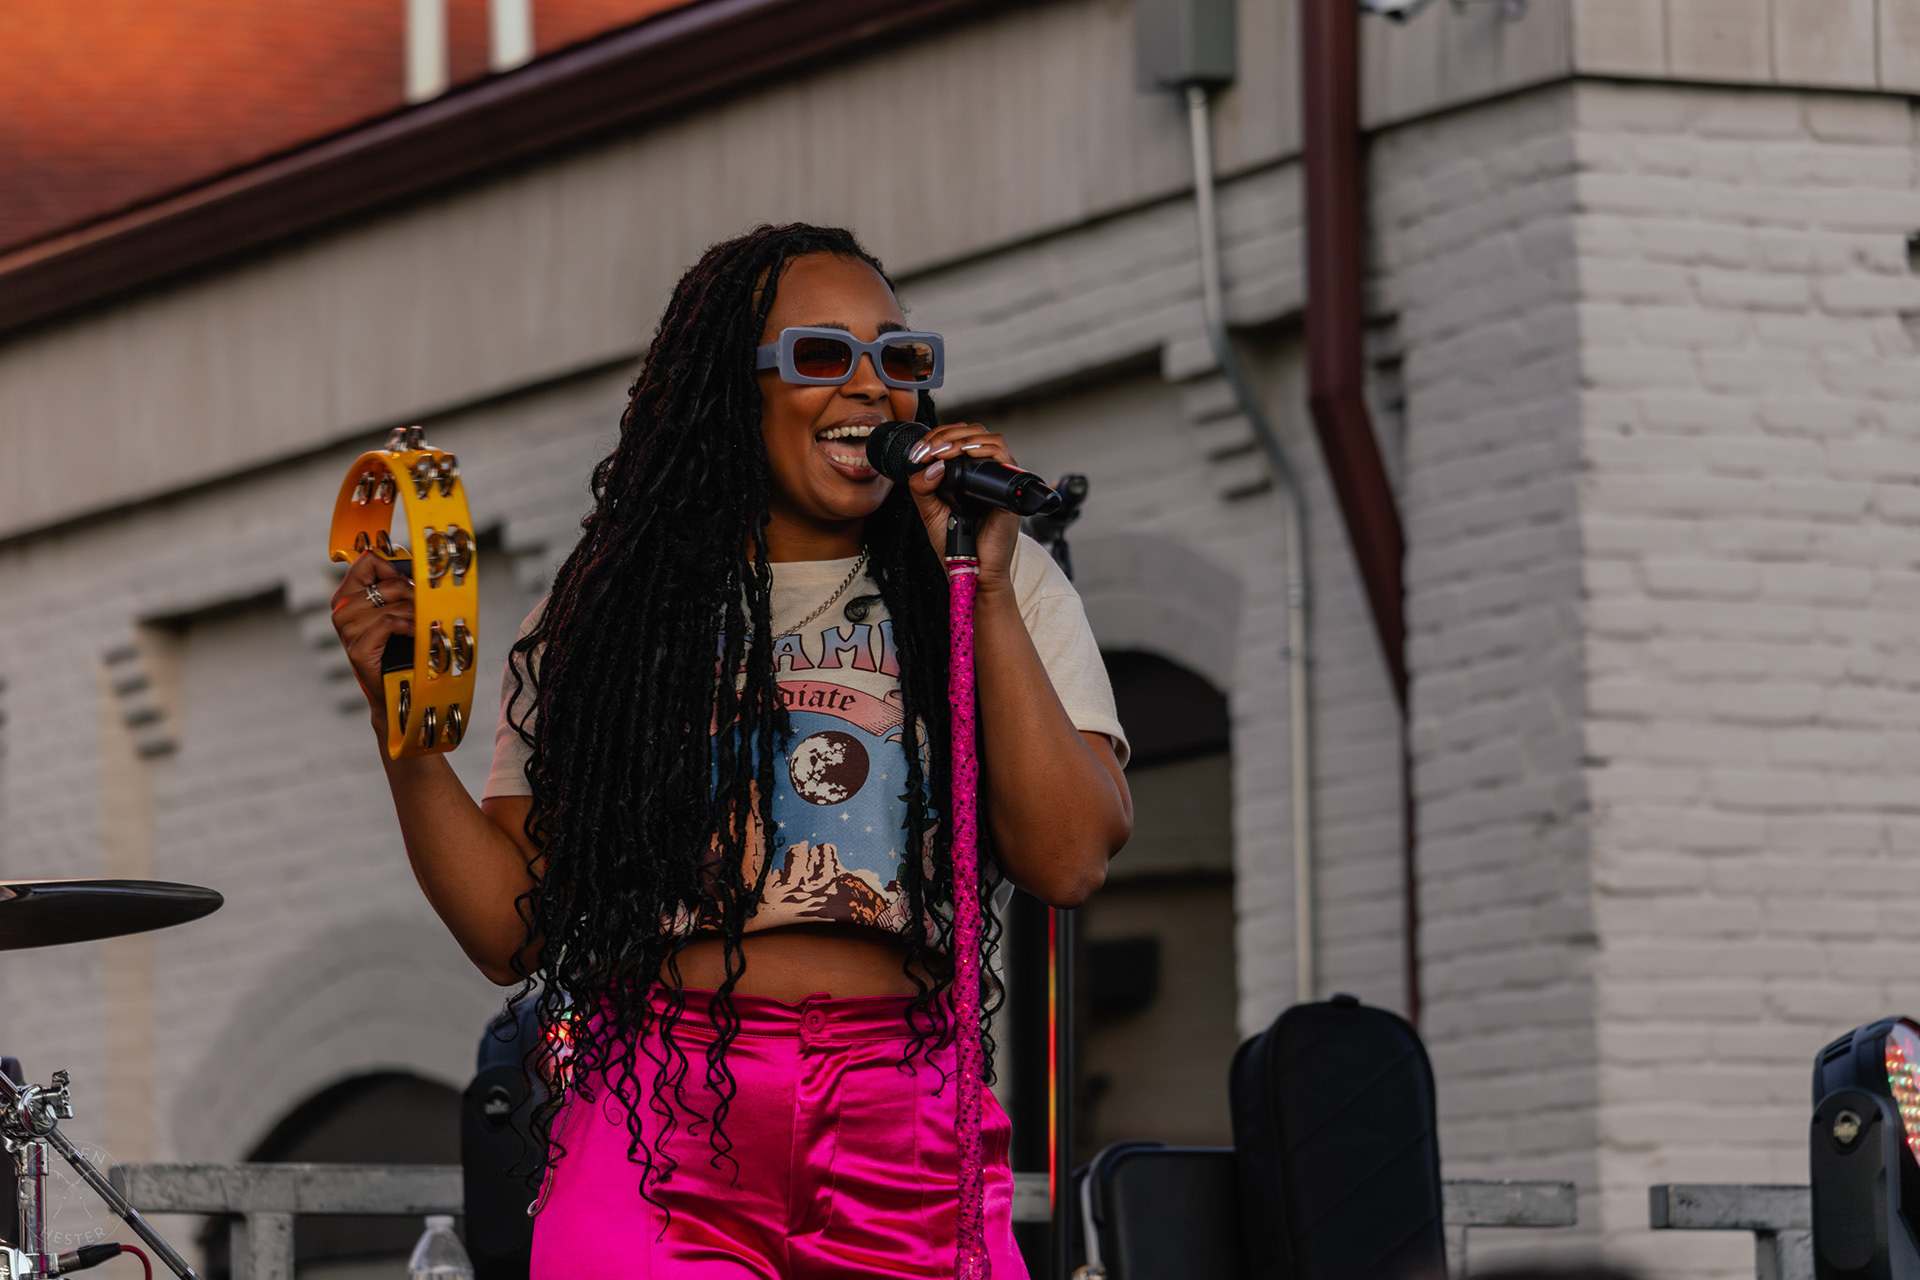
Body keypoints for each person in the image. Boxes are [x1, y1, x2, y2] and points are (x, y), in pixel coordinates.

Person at [329, 223, 1132, 1277]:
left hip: (903, 1115)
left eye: (899, 358)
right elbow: (506, 932)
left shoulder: (999, 580)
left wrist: (974, 584)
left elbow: (1069, 855)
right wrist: (406, 731)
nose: (868, 387)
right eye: (818, 355)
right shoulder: (610, 616)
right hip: (663, 1115)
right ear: (728, 390)